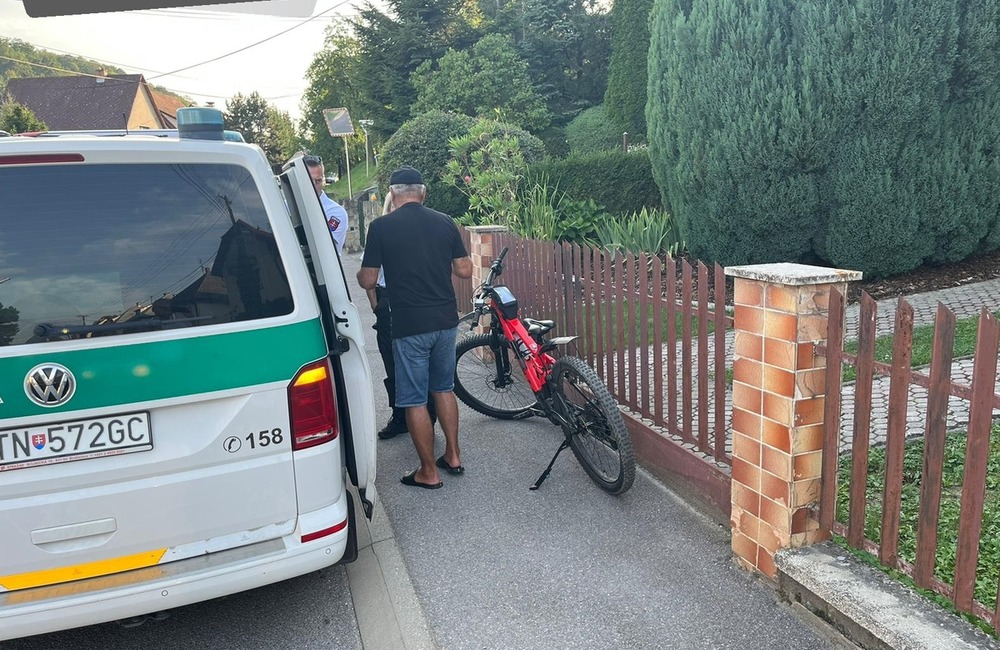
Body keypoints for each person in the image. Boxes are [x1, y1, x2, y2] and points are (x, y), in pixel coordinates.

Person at [357, 166, 472, 489]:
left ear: (393, 194)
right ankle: (452, 455)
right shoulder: (445, 222)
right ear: (423, 192)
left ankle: (428, 472)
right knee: (443, 388)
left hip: (409, 325)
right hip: (446, 322)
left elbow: (368, 279)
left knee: (414, 399)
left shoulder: (381, 227)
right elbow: (464, 270)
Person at [366, 195, 436, 440]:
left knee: (403, 359)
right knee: (397, 360)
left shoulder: (383, 229)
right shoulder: (383, 229)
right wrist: (377, 304)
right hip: (396, 299)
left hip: (400, 298)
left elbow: (366, 276)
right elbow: (370, 275)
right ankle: (405, 415)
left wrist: (377, 303)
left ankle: (413, 415)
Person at [303, 154, 348, 255]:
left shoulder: (336, 212)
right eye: (309, 180)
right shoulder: (286, 206)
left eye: (318, 181)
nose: (314, 186)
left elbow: (325, 249)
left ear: (323, 180)